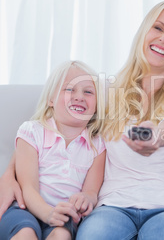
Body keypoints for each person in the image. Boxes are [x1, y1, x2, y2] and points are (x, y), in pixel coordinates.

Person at [75, 1, 164, 239]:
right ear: (144, 33)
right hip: (112, 207)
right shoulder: (106, 90)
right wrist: (12, 176)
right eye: (158, 28)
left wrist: (156, 135)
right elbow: (53, 125)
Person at [0, 60, 106, 240]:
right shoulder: (32, 131)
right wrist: (48, 213)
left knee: (62, 235)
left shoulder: (97, 145)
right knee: (26, 233)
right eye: (69, 89)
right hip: (24, 208)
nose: (79, 96)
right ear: (51, 99)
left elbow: (91, 192)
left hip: (64, 216)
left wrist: (86, 199)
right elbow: (28, 188)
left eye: (88, 92)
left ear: (97, 105)